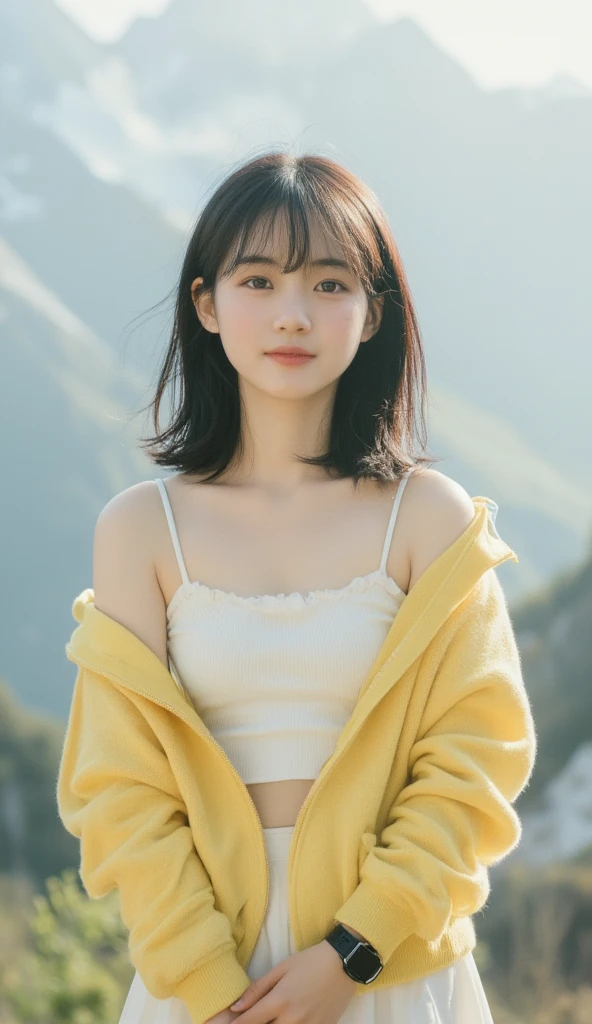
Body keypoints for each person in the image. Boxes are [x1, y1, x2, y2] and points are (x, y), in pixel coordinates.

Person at [56, 151, 537, 1024]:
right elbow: (119, 790)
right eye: (259, 279)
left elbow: (476, 762)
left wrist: (354, 953)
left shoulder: (428, 519)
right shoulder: (138, 530)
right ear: (206, 303)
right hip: (201, 986)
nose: (292, 314)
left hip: (393, 972)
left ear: (371, 312)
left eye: (328, 284)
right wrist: (211, 990)